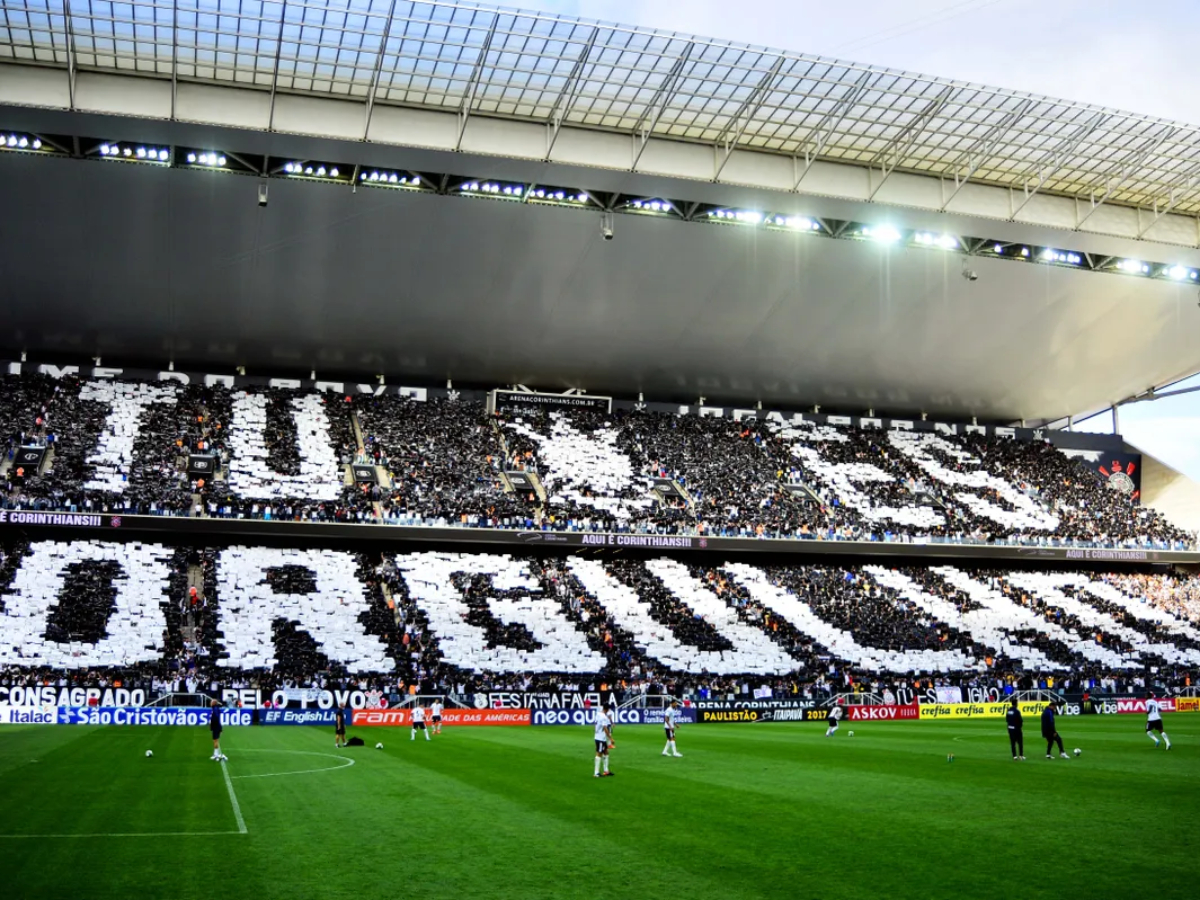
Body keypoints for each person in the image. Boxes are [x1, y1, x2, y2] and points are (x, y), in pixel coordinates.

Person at [594, 708, 614, 778]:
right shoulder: (603, 717)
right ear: (608, 709)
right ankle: (596, 773)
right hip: (600, 738)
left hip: (600, 737)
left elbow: (595, 724)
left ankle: (606, 771)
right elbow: (605, 728)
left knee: (606, 752)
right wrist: (610, 738)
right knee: (599, 753)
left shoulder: (598, 714)